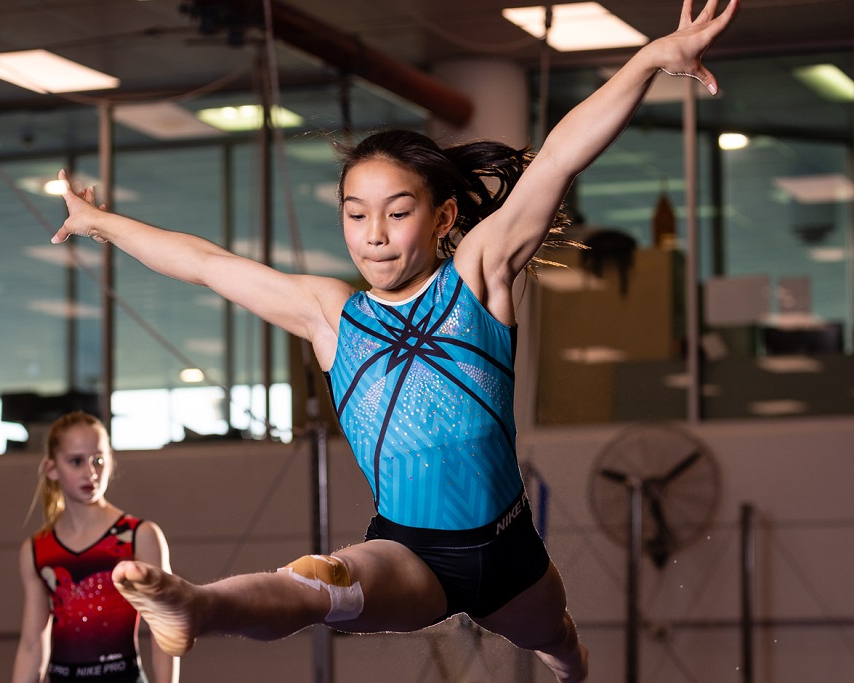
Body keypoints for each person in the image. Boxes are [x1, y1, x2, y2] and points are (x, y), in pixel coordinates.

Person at [49, 2, 737, 680]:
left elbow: (557, 158)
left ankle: (572, 667)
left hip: (508, 551)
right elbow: (205, 264)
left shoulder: (478, 277)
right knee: (325, 584)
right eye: (355, 214)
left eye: (397, 211)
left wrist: (650, 59)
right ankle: (196, 603)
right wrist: (99, 222)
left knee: (556, 638)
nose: (373, 233)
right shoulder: (331, 316)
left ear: (442, 217)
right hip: (412, 552)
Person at [11, 411, 179, 683]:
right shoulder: (37, 550)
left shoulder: (139, 536)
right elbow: (32, 645)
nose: (90, 472)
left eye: (98, 460)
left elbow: (166, 627)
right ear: (51, 468)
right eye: (76, 461)